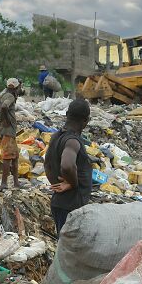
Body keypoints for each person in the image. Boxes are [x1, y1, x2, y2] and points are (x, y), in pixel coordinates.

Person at [44, 99, 92, 236]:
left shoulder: (56, 136)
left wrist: (56, 184)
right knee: (71, 250)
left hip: (59, 203)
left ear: (66, 114)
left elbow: (47, 164)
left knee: (63, 245)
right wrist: (72, 183)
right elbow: (67, 165)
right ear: (85, 121)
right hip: (72, 207)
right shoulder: (72, 141)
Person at [0, 77, 22, 191]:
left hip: (8, 130)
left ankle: (16, 183)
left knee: (15, 156)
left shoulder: (3, 93)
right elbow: (4, 106)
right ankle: (4, 183)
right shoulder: (10, 96)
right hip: (7, 130)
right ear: (16, 87)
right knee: (7, 157)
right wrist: (6, 120)